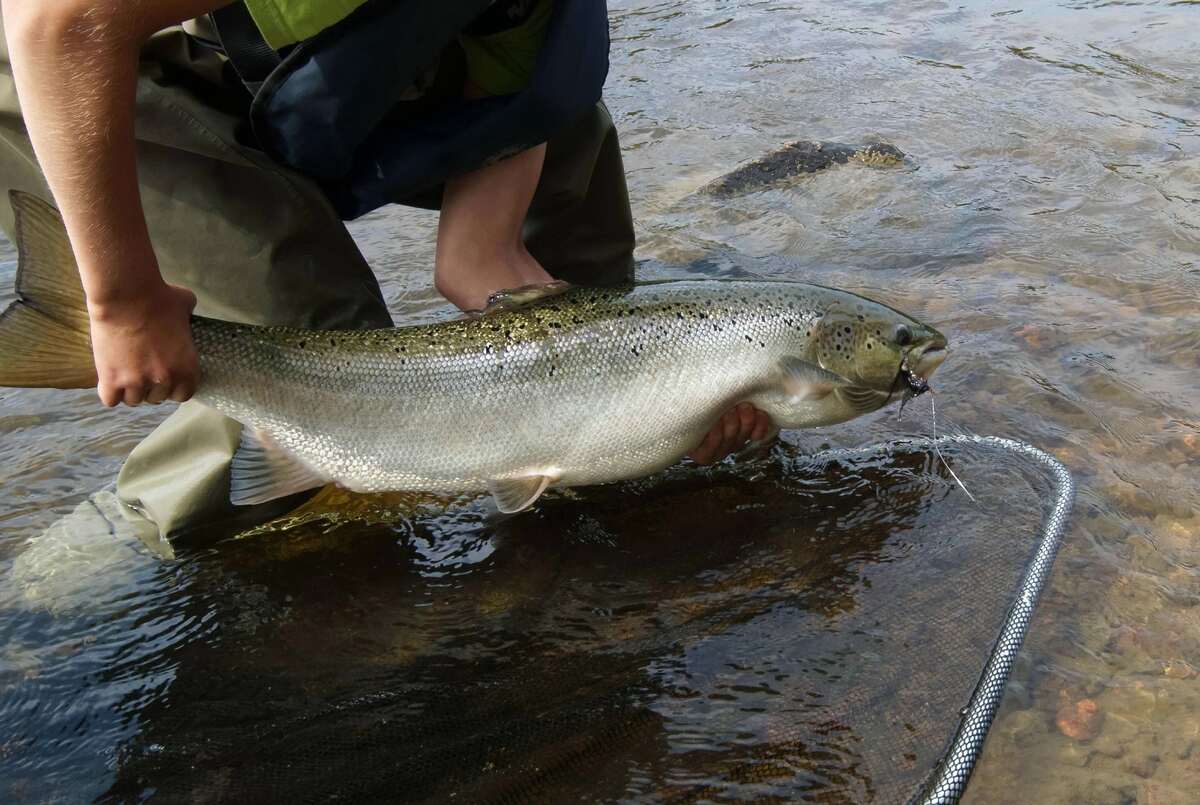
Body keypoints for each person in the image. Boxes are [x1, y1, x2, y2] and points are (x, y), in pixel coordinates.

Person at [0, 0, 771, 545]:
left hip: (293, 76)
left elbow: (481, 261)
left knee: (574, 146)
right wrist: (124, 299)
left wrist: (649, 392)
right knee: (314, 326)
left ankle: (577, 468)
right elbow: (53, 22)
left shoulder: (539, 15)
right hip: (84, 81)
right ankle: (132, 535)